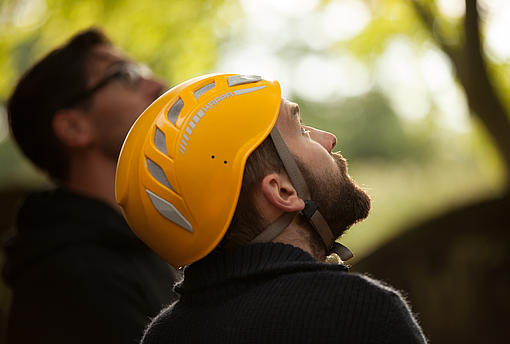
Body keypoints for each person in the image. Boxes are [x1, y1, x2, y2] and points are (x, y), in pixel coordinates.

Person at [116, 74, 428, 343]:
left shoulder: (164, 336)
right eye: (302, 131)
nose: (329, 139)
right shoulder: (362, 312)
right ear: (281, 190)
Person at [2, 28, 179, 344]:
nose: (157, 84)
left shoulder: (153, 244)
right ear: (73, 127)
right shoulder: (69, 281)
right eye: (125, 75)